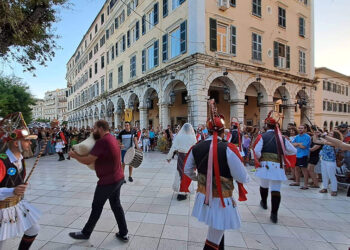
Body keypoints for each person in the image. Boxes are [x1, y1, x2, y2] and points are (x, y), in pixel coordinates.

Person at [184, 100, 249, 249]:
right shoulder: (228, 148)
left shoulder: (196, 147)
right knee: (214, 238)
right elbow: (242, 176)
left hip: (203, 195)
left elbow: (187, 170)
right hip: (221, 198)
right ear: (222, 131)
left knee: (218, 228)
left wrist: (201, 179)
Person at [68, 120, 129, 242]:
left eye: (94, 128)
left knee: (97, 206)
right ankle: (124, 233)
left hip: (108, 181)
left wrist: (74, 155)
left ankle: (86, 233)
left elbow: (88, 160)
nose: (92, 130)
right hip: (118, 178)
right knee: (116, 205)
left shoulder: (102, 142)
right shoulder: (111, 138)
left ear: (101, 128)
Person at [0, 117, 41, 250]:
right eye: (26, 140)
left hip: (16, 204)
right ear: (16, 143)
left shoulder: (21, 159)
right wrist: (12, 191)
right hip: (1, 208)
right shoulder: (2, 161)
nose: (30, 143)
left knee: (33, 229)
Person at [253, 116, 297, 223]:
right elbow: (293, 150)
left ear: (267, 126)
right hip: (278, 165)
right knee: (276, 189)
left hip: (265, 164)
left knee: (264, 184)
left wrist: (260, 158)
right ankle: (274, 213)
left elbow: (256, 150)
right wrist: (283, 153)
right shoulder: (282, 138)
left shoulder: (262, 136)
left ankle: (264, 202)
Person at [167, 123, 197, 201]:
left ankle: (181, 192)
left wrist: (169, 157)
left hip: (181, 157)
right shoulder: (193, 137)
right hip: (190, 157)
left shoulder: (179, 136)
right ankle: (185, 191)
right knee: (188, 174)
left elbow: (173, 147)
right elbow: (196, 148)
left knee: (181, 173)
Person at [317, 131, 343, 196]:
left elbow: (326, 142)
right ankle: (325, 188)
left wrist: (323, 137)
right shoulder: (326, 141)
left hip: (331, 161)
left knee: (332, 175)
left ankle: (334, 190)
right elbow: (316, 140)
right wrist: (316, 134)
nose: (329, 134)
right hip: (324, 160)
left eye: (331, 134)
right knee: (324, 175)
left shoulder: (336, 143)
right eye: (329, 134)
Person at [290, 124, 311, 189]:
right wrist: (299, 144)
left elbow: (304, 146)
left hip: (304, 155)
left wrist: (297, 144)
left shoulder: (307, 137)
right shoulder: (297, 136)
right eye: (299, 128)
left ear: (305, 129)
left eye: (301, 128)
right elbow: (292, 144)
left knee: (304, 170)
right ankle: (297, 182)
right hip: (297, 154)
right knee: (296, 168)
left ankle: (305, 184)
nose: (300, 129)